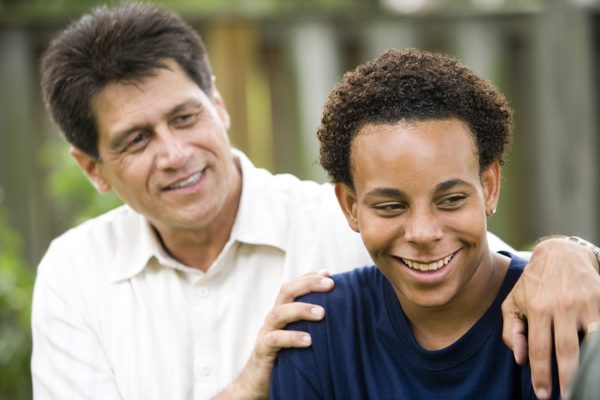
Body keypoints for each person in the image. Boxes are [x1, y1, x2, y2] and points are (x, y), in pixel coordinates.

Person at [31, 3, 600, 400]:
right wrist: (247, 389)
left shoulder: (344, 218)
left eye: (185, 117)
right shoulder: (75, 273)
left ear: (219, 105)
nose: (175, 154)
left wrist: (571, 251)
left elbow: (474, 254)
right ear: (92, 168)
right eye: (137, 140)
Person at [270, 48, 565, 399]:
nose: (423, 233)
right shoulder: (318, 331)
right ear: (350, 206)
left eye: (451, 200)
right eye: (391, 207)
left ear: (488, 187)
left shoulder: (554, 313)